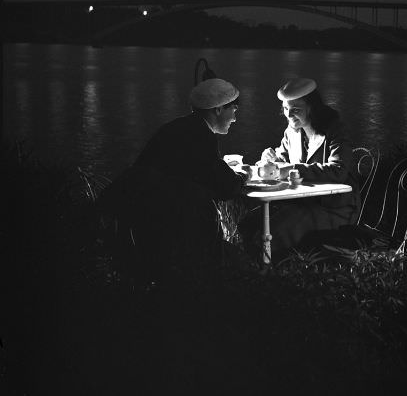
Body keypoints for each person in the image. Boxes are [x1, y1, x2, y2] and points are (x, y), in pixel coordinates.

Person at [99, 78, 250, 281]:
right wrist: (243, 177)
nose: (235, 118)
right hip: (169, 224)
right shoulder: (201, 136)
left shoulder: (176, 127)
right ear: (218, 110)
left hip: (140, 215)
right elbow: (226, 187)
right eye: (234, 110)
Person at [243, 77, 360, 256]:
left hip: (335, 208)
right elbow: (281, 159)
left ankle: (269, 271)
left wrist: (290, 169)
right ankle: (262, 269)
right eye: (285, 109)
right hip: (303, 202)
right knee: (248, 224)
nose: (289, 115)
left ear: (313, 107)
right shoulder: (291, 131)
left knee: (275, 230)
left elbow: (338, 171)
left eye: (295, 109)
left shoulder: (335, 129)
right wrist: (268, 160)